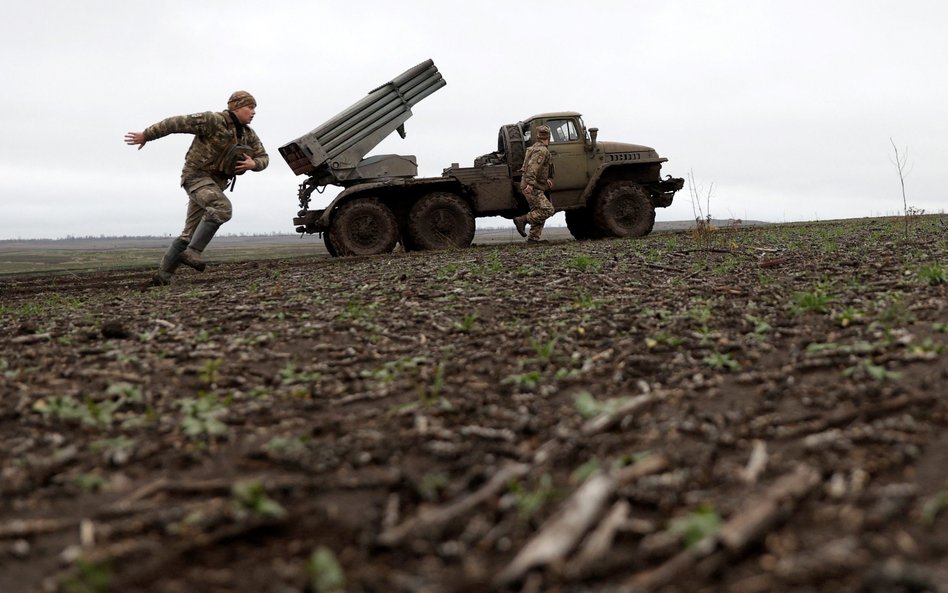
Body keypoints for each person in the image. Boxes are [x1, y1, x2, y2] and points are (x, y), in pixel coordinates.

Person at [125, 91, 269, 287]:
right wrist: (146, 135)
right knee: (222, 208)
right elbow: (174, 123)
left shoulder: (248, 134)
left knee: (188, 235)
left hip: (215, 184)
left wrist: (255, 164)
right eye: (250, 108)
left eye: (255, 109)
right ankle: (194, 252)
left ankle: (162, 277)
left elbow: (264, 157)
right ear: (236, 107)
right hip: (195, 177)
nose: (253, 112)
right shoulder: (212, 120)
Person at [513, 125, 555, 242]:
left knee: (538, 210)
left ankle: (533, 238)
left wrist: (545, 179)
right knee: (547, 210)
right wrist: (531, 184)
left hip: (533, 184)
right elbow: (532, 167)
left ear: (538, 136)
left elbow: (536, 167)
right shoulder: (542, 151)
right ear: (548, 137)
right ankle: (522, 220)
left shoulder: (533, 148)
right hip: (532, 186)